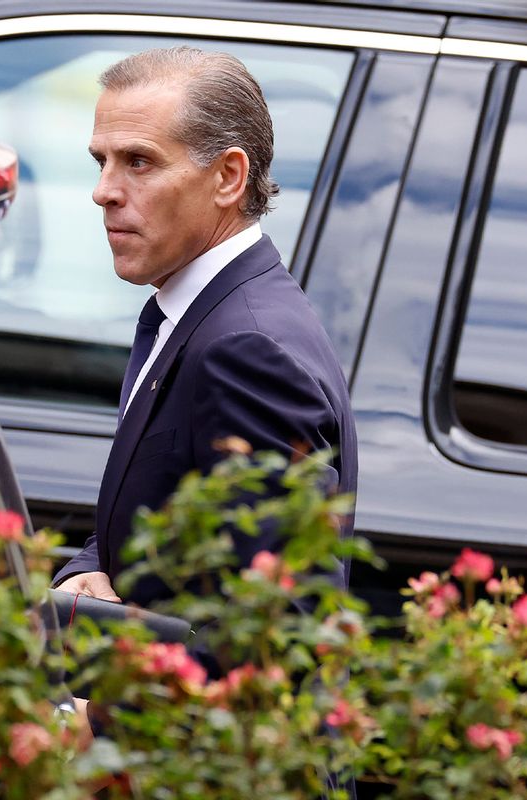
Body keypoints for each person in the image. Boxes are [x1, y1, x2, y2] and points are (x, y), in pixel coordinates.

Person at [52, 46, 357, 606]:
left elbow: (282, 621)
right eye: (102, 161)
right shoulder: (197, 312)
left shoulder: (247, 350)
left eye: (138, 162)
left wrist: (120, 661)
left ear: (228, 177)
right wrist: (87, 574)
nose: (104, 191)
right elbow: (143, 511)